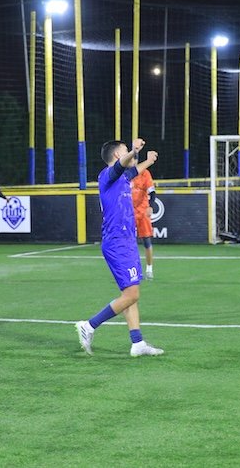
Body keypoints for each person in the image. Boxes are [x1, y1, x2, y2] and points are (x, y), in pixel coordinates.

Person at [75, 138, 164, 357]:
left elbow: (133, 170)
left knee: (130, 293)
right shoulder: (108, 174)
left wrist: (148, 161)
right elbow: (123, 165)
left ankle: (137, 343)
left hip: (126, 241)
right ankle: (89, 325)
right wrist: (133, 151)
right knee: (132, 294)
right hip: (117, 242)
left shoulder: (123, 177)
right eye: (125, 151)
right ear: (117, 155)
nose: (130, 156)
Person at [131, 159, 157, 280]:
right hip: (128, 212)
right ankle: (131, 269)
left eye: (133, 159)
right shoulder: (124, 173)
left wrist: (150, 206)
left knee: (146, 241)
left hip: (142, 211)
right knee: (128, 242)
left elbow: (152, 192)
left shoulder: (144, 173)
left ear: (136, 160)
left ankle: (149, 269)